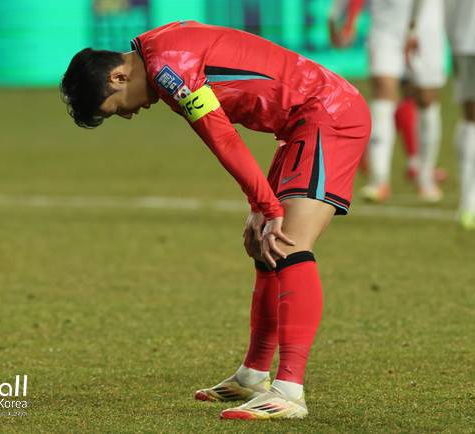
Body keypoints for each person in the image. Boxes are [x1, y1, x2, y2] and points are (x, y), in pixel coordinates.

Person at [60, 21, 371, 420]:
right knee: (265, 247)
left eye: (118, 108)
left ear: (118, 77)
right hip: (301, 123)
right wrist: (260, 205)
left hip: (327, 114)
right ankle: (254, 375)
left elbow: (221, 137)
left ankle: (290, 391)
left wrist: (265, 204)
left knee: (289, 243)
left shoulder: (169, 68)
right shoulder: (158, 54)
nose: (129, 114)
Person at [329, 0, 447, 203]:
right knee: (383, 92)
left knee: (426, 98)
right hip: (385, 24)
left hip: (426, 26)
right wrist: (339, 17)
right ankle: (379, 180)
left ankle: (425, 176)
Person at [445, 0, 475, 229]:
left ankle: (468, 203)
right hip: (466, 40)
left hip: (465, 40)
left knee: (470, 118)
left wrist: (453, 44)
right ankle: (469, 202)